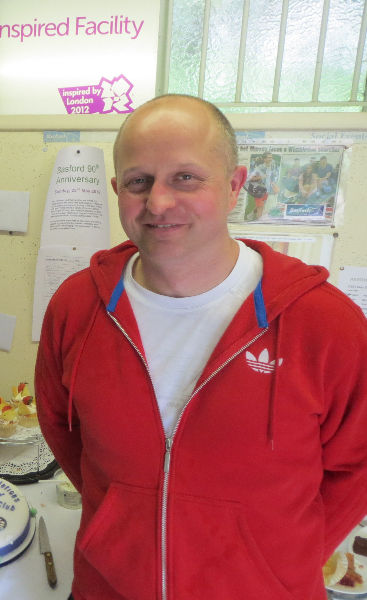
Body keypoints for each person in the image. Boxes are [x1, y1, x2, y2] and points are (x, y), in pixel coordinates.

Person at [36, 94, 367, 600]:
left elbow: (356, 466)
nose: (159, 201)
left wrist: (274, 562)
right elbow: (62, 429)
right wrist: (125, 517)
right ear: (116, 190)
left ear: (234, 186)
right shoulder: (77, 305)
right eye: (138, 181)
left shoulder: (323, 324)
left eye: (186, 178)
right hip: (108, 588)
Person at [244, 151, 278, 220]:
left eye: (271, 157)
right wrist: (261, 177)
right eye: (268, 158)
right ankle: (258, 222)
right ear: (264, 159)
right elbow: (249, 178)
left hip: (267, 190)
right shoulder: (258, 168)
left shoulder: (273, 165)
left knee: (261, 205)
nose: (271, 159)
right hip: (258, 190)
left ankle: (251, 215)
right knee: (260, 207)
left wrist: (274, 176)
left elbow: (271, 177)